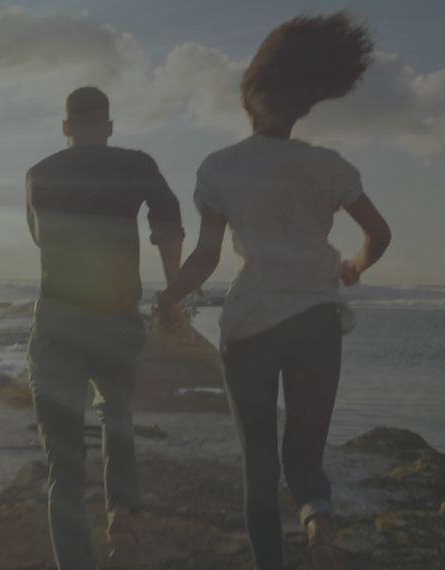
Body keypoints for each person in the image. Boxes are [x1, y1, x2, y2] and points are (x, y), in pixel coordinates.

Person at [156, 13, 392, 570]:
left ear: (248, 100)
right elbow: (379, 234)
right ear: (304, 105)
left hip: (251, 327)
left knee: (259, 471)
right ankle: (318, 524)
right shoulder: (329, 166)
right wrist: (353, 267)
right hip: (317, 322)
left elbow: (207, 257)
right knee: (305, 460)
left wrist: (168, 297)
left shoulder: (219, 168)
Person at [26, 86, 184, 570]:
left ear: (66, 127)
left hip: (58, 319)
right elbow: (169, 223)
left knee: (64, 464)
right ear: (110, 127)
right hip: (117, 316)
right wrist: (172, 294)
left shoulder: (39, 173)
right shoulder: (137, 164)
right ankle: (122, 514)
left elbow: (39, 238)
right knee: (117, 414)